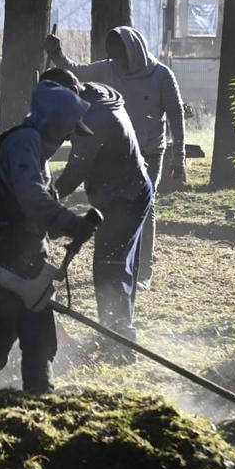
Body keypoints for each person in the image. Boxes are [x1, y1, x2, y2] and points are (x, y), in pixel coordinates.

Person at [0, 80, 100, 394]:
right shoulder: (24, 142)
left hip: (25, 246)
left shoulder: (34, 146)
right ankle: (34, 391)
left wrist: (60, 228)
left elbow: (38, 201)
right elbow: (30, 195)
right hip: (13, 247)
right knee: (28, 325)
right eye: (67, 128)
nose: (68, 136)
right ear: (54, 121)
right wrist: (68, 221)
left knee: (12, 323)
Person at [45, 25, 185, 288]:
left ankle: (144, 269)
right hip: (117, 152)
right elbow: (75, 71)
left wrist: (180, 157)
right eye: (113, 57)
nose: (117, 62)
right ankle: (118, 264)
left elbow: (176, 116)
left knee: (146, 205)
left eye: (121, 57)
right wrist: (57, 54)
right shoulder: (107, 68)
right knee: (115, 205)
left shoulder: (161, 76)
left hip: (149, 151)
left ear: (134, 52)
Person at [41, 68, 153, 361]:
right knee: (118, 265)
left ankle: (120, 345)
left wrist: (46, 203)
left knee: (110, 267)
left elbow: (75, 171)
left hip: (125, 195)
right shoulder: (92, 95)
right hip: (128, 188)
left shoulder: (93, 118)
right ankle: (118, 334)